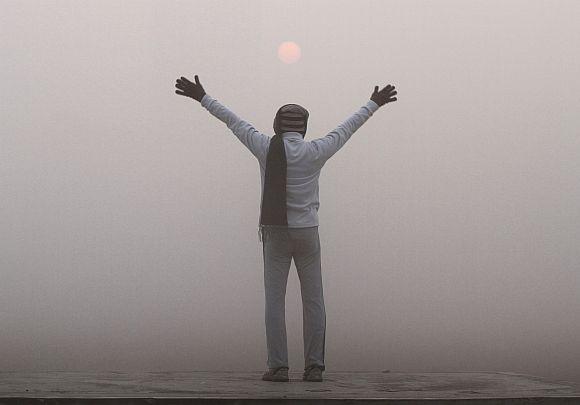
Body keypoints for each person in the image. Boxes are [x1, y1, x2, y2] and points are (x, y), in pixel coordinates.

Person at [175, 75, 397, 382]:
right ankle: (314, 366)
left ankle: (278, 367)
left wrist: (202, 96)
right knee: (314, 301)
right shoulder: (316, 150)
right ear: (303, 128)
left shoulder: (265, 147)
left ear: (278, 126)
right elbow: (347, 128)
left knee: (274, 302)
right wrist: (374, 103)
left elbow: (232, 121)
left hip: (275, 233)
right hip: (308, 233)